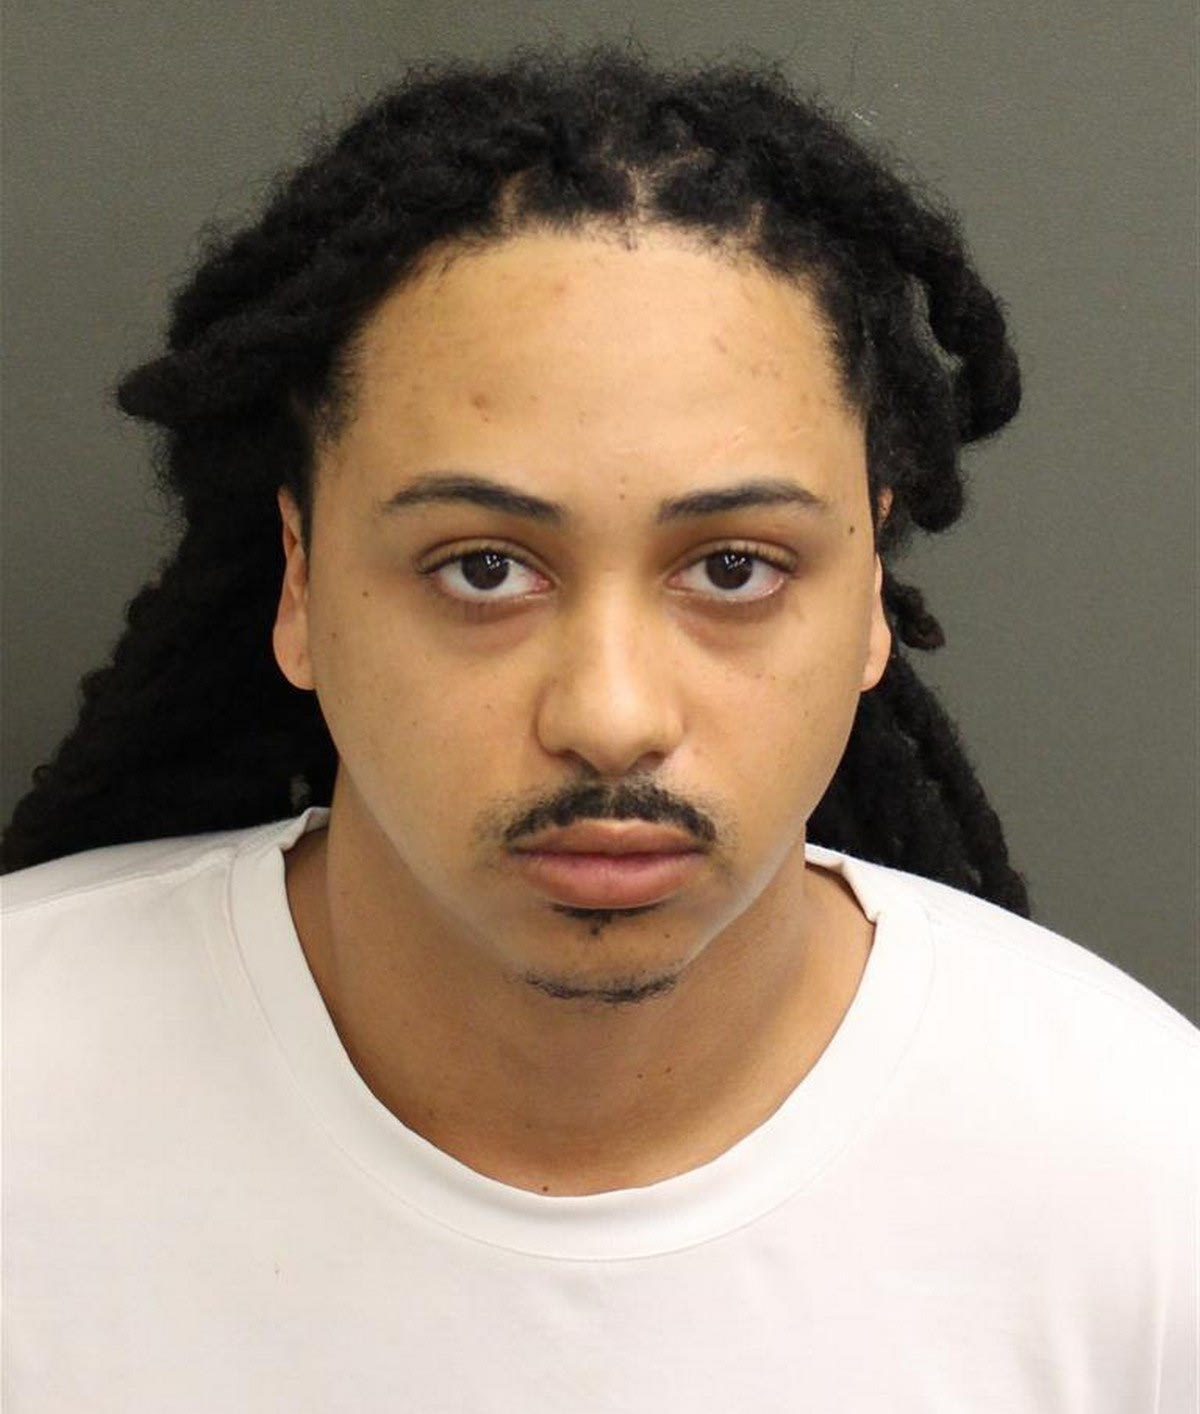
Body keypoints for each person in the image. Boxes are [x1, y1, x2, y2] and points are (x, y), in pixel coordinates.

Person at [2, 43, 1195, 1412]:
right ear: (303, 583)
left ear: (872, 591)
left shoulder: (1146, 1187)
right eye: (484, 568)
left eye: (733, 568)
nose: (613, 717)